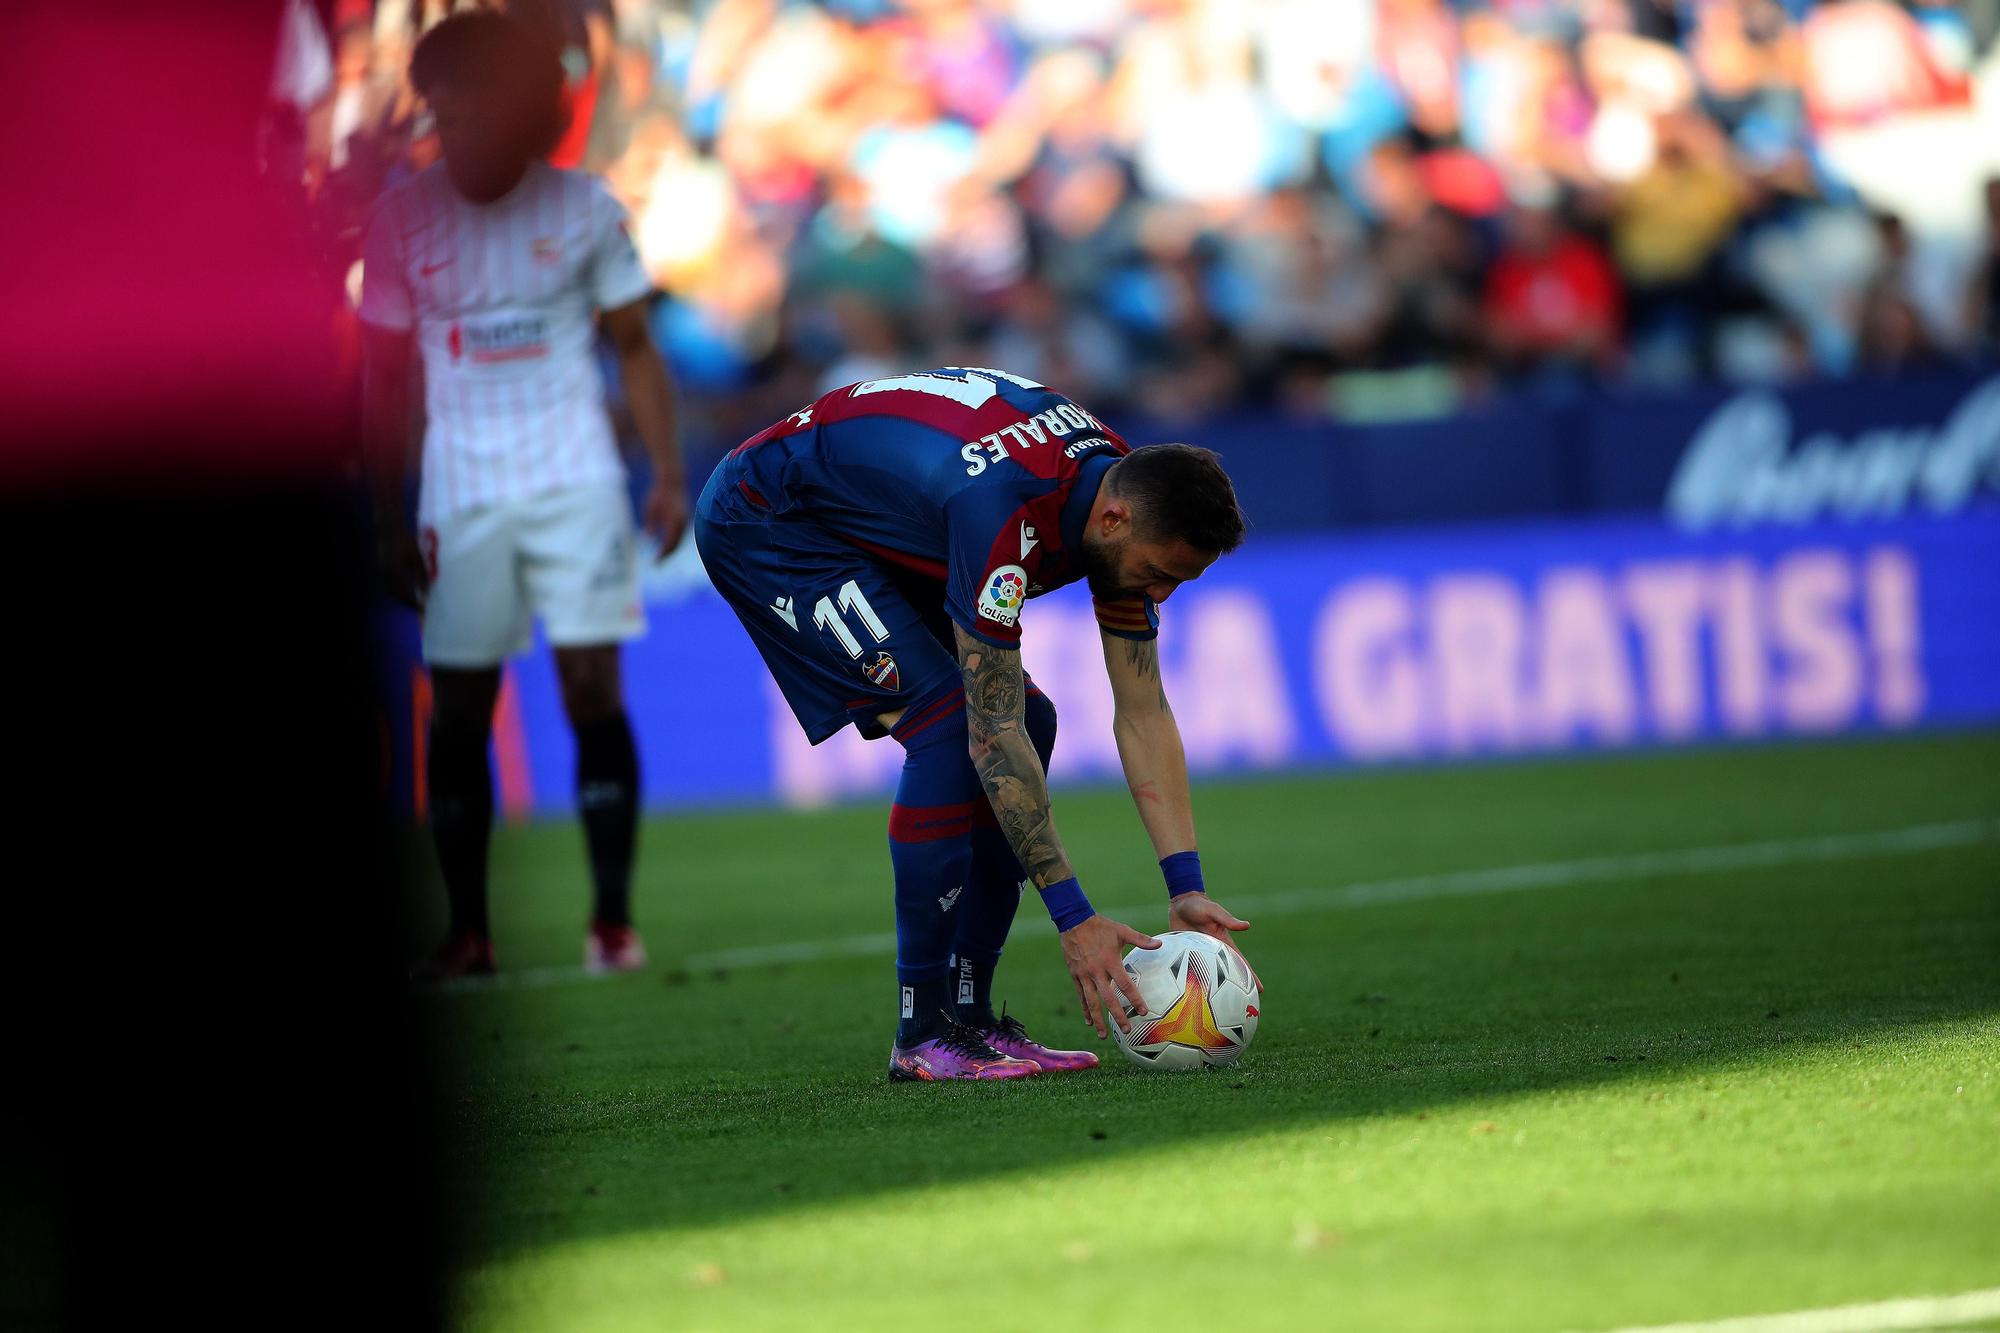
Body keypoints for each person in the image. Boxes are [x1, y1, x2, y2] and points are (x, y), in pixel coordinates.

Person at [694, 366, 1254, 1081]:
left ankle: (970, 1014)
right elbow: (990, 734)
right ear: (1114, 519)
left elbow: (1143, 708)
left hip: (886, 523)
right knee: (952, 724)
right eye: (1159, 572)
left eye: (1181, 580)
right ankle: (921, 1031)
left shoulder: (1118, 493)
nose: (1162, 593)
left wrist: (1186, 884)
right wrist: (1075, 918)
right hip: (773, 521)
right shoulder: (1008, 507)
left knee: (1034, 717)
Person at [360, 12, 689, 980]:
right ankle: (468, 930)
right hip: (459, 491)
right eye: (440, 114)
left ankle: (613, 921)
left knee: (593, 690)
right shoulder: (400, 219)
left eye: (471, 113)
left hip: (575, 478)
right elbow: (384, 382)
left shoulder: (583, 208)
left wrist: (666, 474)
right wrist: (388, 514)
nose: (452, 131)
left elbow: (634, 345)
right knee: (457, 707)